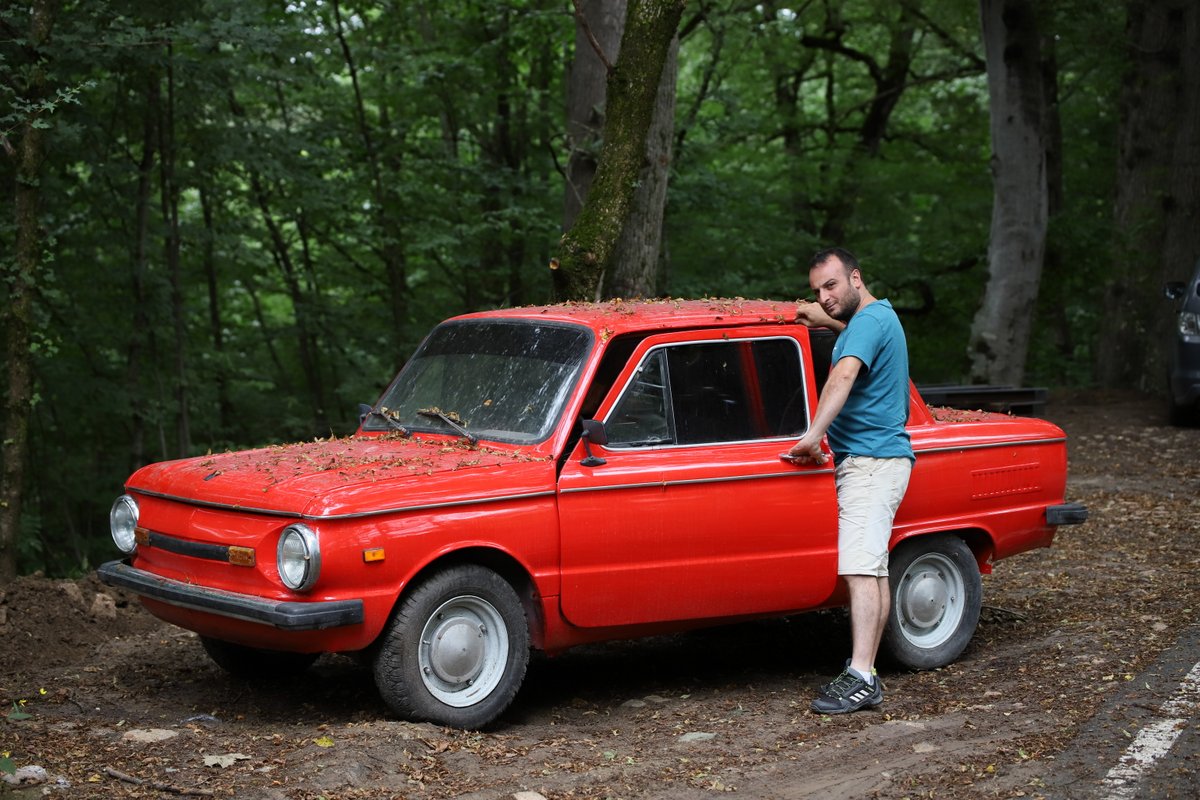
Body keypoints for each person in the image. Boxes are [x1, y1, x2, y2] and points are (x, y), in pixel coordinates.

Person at [786, 247, 914, 714]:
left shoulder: (867, 325)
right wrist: (817, 315)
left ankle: (861, 675)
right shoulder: (876, 318)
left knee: (860, 569)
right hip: (882, 460)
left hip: (871, 462)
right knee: (874, 569)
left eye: (832, 286)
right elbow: (850, 331)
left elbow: (843, 372)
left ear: (855, 278)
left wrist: (812, 437)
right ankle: (868, 671)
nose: (825, 296)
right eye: (817, 290)